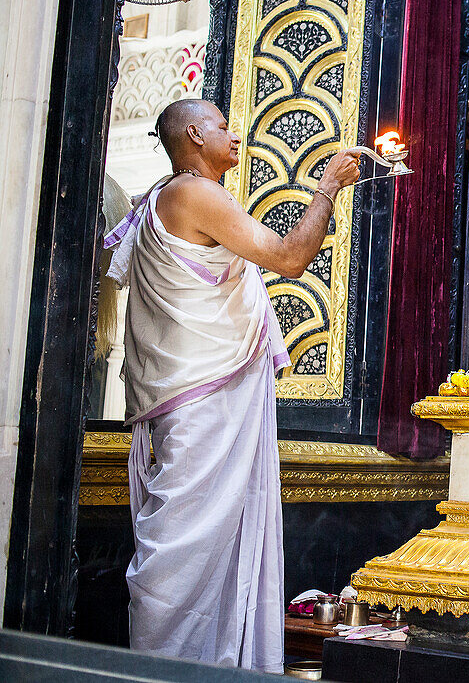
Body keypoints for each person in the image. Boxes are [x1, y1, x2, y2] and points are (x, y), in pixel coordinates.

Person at [103, 98, 362, 672]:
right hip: (201, 402)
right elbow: (290, 258)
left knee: (195, 553)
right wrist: (327, 186)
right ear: (194, 134)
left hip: (192, 400)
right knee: (183, 555)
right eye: (223, 125)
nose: (235, 134)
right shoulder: (192, 193)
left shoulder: (163, 198)